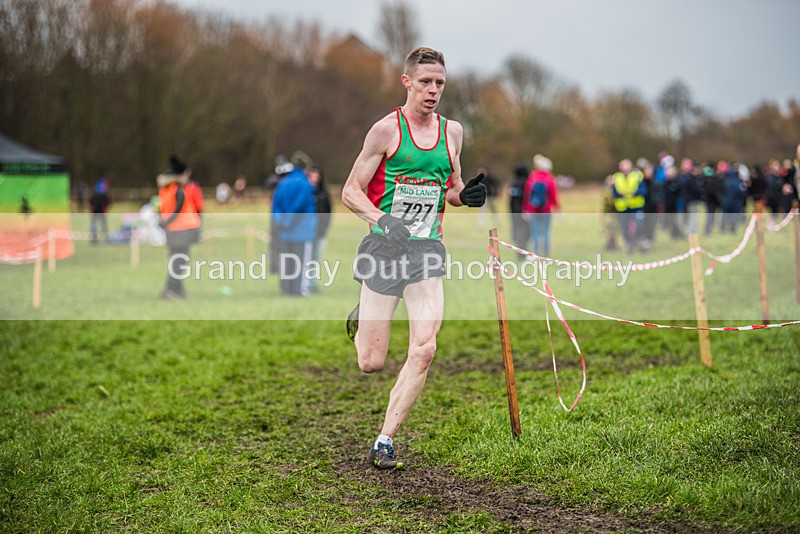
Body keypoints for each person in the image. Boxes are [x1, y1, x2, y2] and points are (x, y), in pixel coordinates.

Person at [340, 47, 486, 471]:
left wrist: (465, 196)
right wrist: (383, 220)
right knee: (372, 362)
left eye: (439, 82)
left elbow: (453, 187)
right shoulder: (385, 131)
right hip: (384, 249)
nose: (433, 90)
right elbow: (350, 191)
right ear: (407, 82)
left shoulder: (452, 133)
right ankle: (364, 310)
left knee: (424, 349)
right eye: (425, 82)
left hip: (426, 251)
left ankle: (384, 440)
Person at [271, 158, 317, 297]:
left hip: (285, 232)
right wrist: (290, 221)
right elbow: (299, 206)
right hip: (302, 232)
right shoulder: (305, 184)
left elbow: (275, 206)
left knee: (287, 261)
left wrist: (282, 222)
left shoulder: (282, 184)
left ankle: (286, 289)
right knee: (301, 262)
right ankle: (299, 290)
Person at [158, 155, 201, 299]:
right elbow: (178, 209)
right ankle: (172, 290)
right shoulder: (178, 189)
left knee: (177, 260)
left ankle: (176, 290)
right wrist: (166, 222)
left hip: (176, 230)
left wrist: (164, 222)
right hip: (181, 229)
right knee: (179, 261)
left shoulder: (167, 190)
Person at [521, 154, 559, 256]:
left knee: (535, 233)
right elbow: (553, 195)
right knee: (546, 232)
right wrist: (557, 207)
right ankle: (546, 254)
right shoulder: (549, 178)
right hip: (546, 210)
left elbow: (527, 195)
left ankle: (536, 254)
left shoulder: (532, 178)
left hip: (533, 210)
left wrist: (526, 209)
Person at [306, 164, 332, 293]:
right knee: (306, 258)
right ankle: (305, 283)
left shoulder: (323, 193)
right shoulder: (306, 191)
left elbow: (328, 211)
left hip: (319, 232)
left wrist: (324, 228)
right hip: (307, 232)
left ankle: (312, 282)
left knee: (315, 258)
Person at [611, 159, 646, 253]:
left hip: (636, 206)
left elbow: (643, 190)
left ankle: (640, 243)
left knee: (639, 226)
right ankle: (628, 245)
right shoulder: (617, 177)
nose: (625, 168)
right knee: (624, 228)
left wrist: (634, 193)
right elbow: (614, 193)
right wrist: (622, 194)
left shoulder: (637, 175)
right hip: (622, 207)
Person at [509, 163, 531, 260]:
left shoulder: (514, 183)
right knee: (525, 234)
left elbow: (512, 199)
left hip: (514, 212)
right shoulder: (526, 183)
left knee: (518, 233)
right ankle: (523, 254)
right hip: (523, 212)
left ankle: (521, 254)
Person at [89, 177, 111, 244]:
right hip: (98, 211)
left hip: (98, 211)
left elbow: (90, 202)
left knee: (100, 225)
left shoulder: (98, 193)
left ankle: (102, 238)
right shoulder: (101, 193)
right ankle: (96, 238)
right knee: (96, 225)